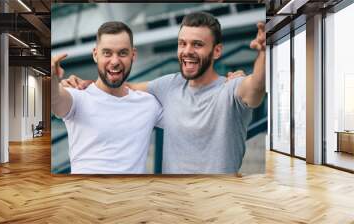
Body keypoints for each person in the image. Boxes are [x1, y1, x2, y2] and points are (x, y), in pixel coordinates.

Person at [63, 12, 266, 174]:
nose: (187, 51)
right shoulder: (169, 85)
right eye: (182, 43)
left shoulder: (231, 89)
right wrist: (86, 84)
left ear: (217, 51)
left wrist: (265, 53)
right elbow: (123, 86)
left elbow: (255, 87)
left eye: (197, 44)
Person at [51, 21, 162, 174]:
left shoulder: (149, 103)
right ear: (95, 54)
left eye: (122, 53)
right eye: (107, 53)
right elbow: (55, 100)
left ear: (133, 55)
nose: (115, 61)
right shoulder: (78, 97)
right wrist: (49, 78)